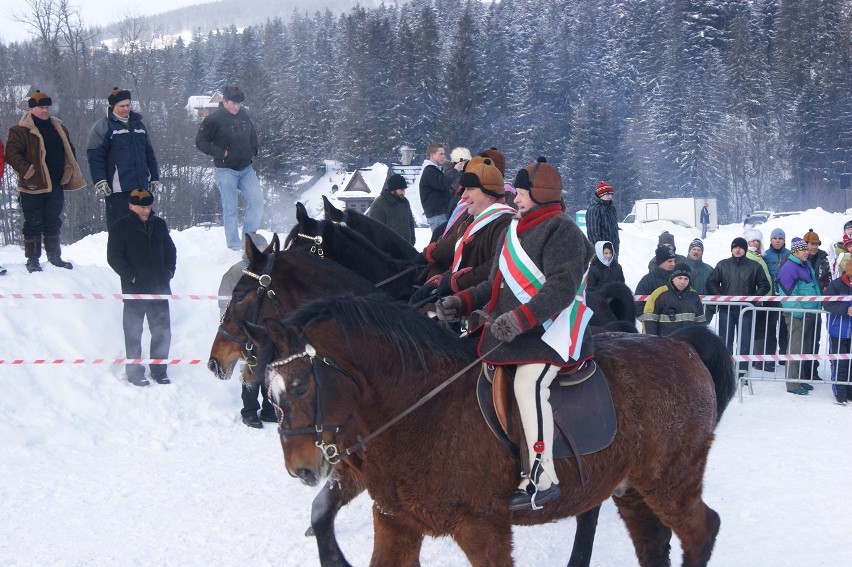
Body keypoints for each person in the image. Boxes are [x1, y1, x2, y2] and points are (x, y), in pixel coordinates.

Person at [436, 157, 594, 511]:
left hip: (551, 331)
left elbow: (560, 289)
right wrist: (460, 302)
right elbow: (494, 285)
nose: (516, 198)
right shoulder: (515, 230)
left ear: (539, 194)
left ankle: (542, 475)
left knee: (528, 384)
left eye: (521, 193)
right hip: (513, 330)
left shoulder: (563, 230)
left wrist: (519, 320)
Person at [409, 158, 514, 304]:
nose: (464, 195)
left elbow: (494, 267)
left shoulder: (505, 222)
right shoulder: (474, 219)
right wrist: (439, 281)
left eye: (470, 189)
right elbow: (463, 260)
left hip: (479, 305)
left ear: (489, 193)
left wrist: (455, 282)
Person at [6, 90, 85, 273]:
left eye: (47, 107)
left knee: (53, 220)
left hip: (56, 183)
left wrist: (68, 170)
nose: (45, 111)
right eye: (41, 107)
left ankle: (54, 256)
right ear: (31, 109)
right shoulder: (20, 130)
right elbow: (11, 154)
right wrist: (28, 171)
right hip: (32, 185)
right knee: (33, 222)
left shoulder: (58, 127)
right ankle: (33, 259)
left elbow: (69, 150)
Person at [107, 189, 176, 387]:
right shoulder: (119, 227)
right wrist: (131, 276)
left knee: (162, 331)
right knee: (133, 332)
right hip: (134, 289)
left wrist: (169, 272)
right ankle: (134, 371)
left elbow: (170, 250)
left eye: (148, 206)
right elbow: (114, 257)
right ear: (131, 205)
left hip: (159, 288)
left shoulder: (159, 224)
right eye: (142, 207)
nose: (147, 210)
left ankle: (159, 369)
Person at [217, 233, 278, 426]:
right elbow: (225, 300)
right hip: (247, 329)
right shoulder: (237, 270)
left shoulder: (270, 268)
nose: (263, 251)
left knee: (270, 369)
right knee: (251, 370)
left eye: (264, 247)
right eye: (260, 247)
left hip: (267, 327)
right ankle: (250, 412)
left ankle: (269, 410)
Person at [195, 85, 265, 250]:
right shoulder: (213, 120)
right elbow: (200, 142)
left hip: (246, 169)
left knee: (257, 201)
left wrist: (253, 150)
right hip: (226, 170)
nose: (236, 107)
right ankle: (234, 246)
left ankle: (248, 241)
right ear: (224, 101)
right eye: (233, 103)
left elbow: (252, 135)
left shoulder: (244, 115)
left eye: (239, 103)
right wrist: (220, 153)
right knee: (231, 208)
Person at [87, 87, 160, 228]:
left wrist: (154, 177)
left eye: (128, 105)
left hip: (141, 186)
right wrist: (99, 180)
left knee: (143, 226)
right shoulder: (103, 126)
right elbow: (95, 156)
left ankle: (142, 251)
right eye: (121, 106)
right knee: (119, 227)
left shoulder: (139, 125)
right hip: (117, 189)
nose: (126, 109)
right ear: (113, 106)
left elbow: (149, 154)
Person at [706, 237, 771, 377]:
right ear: (731, 249)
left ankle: (743, 373)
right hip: (726, 310)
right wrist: (722, 297)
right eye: (735, 247)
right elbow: (712, 282)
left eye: (741, 247)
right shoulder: (722, 265)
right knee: (725, 344)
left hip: (745, 311)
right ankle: (726, 373)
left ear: (745, 249)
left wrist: (752, 299)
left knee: (745, 344)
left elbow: (765, 285)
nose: (737, 249)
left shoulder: (754, 266)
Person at [777, 237, 821, 395]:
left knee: (804, 349)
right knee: (795, 348)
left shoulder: (806, 265)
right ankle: (793, 384)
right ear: (795, 251)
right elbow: (787, 296)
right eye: (804, 249)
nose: (807, 252)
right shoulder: (789, 268)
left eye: (807, 249)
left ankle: (800, 379)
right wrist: (799, 313)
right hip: (797, 315)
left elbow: (814, 287)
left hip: (809, 313)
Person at [640, 263, 705, 336]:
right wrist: (653, 342)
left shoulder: (694, 295)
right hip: (665, 343)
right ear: (672, 278)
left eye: (686, 279)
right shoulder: (659, 294)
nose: (682, 282)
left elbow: (700, 322)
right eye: (679, 278)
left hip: (688, 343)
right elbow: (649, 321)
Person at [823, 256, 852, 405]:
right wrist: (846, 309)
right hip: (838, 330)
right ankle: (840, 392)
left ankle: (850, 391)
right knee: (840, 362)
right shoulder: (836, 285)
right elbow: (826, 303)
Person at [802, 228, 830, 380]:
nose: (813, 247)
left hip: (817, 306)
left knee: (815, 340)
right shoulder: (796, 258)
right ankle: (800, 370)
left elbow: (827, 281)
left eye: (816, 244)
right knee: (801, 339)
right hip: (801, 306)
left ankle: (813, 370)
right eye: (810, 244)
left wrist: (826, 300)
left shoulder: (823, 260)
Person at [418, 143, 463, 231]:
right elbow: (444, 184)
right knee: (439, 242)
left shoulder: (435, 170)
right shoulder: (430, 171)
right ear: (432, 155)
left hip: (440, 214)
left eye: (444, 154)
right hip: (437, 216)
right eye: (441, 154)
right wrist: (455, 170)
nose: (443, 156)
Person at [763, 228, 790, 365]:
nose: (777, 240)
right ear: (771, 240)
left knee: (785, 328)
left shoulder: (790, 254)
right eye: (775, 238)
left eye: (780, 238)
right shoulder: (765, 255)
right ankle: (770, 357)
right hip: (770, 297)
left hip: (785, 297)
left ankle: (784, 355)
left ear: (784, 240)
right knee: (770, 328)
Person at [365, 174, 416, 245]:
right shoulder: (379, 204)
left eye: (404, 189)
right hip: (388, 251)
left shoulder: (404, 202)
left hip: (407, 249)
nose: (404, 193)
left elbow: (410, 223)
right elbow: (375, 230)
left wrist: (412, 243)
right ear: (393, 189)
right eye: (401, 189)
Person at [635, 245, 677, 315]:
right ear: (660, 262)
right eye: (669, 261)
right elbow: (638, 307)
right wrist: (649, 323)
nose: (673, 264)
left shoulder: (679, 278)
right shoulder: (647, 281)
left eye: (674, 261)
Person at [585, 181, 619, 256]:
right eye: (607, 194)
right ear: (600, 195)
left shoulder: (612, 208)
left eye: (611, 194)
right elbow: (593, 234)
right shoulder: (594, 210)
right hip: (602, 253)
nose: (610, 196)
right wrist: (600, 251)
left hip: (614, 250)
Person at [685, 238, 714, 323]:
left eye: (699, 250)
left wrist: (711, 309)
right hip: (683, 310)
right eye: (694, 249)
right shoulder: (680, 267)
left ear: (702, 253)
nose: (696, 252)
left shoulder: (709, 270)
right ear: (689, 251)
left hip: (704, 311)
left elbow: (715, 288)